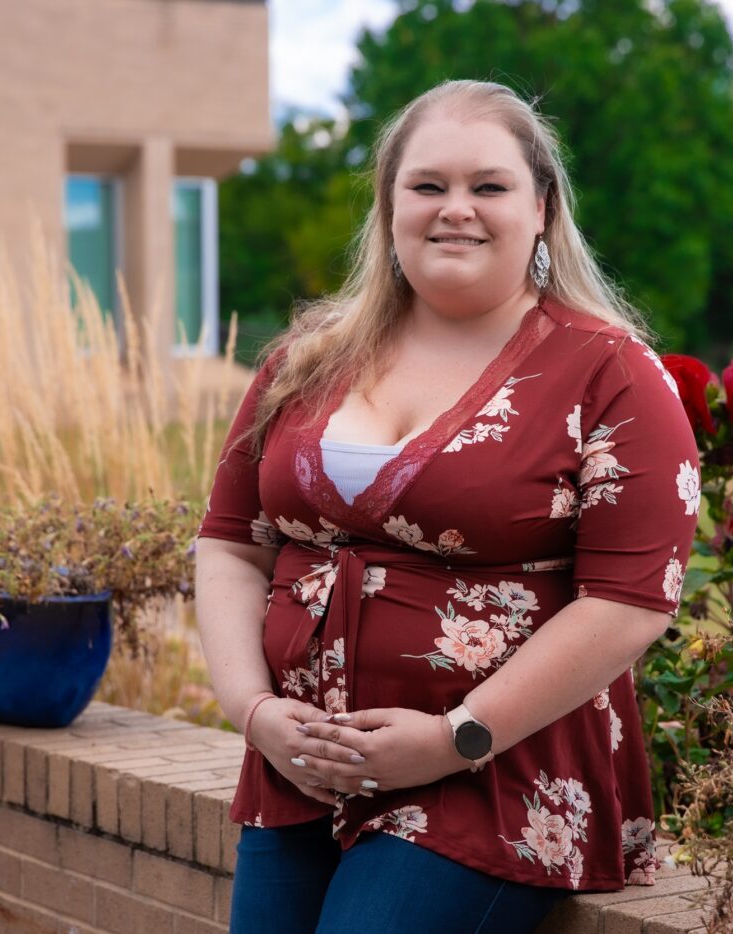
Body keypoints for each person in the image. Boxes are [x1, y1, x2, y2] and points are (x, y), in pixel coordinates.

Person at [193, 79, 699, 934]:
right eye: (427, 186)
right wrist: (255, 713)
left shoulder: (610, 372)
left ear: (541, 208)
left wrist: (454, 736)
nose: (455, 209)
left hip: (492, 777)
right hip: (298, 768)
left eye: (488, 187)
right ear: (389, 208)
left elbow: (628, 603)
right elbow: (232, 546)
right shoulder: (302, 363)